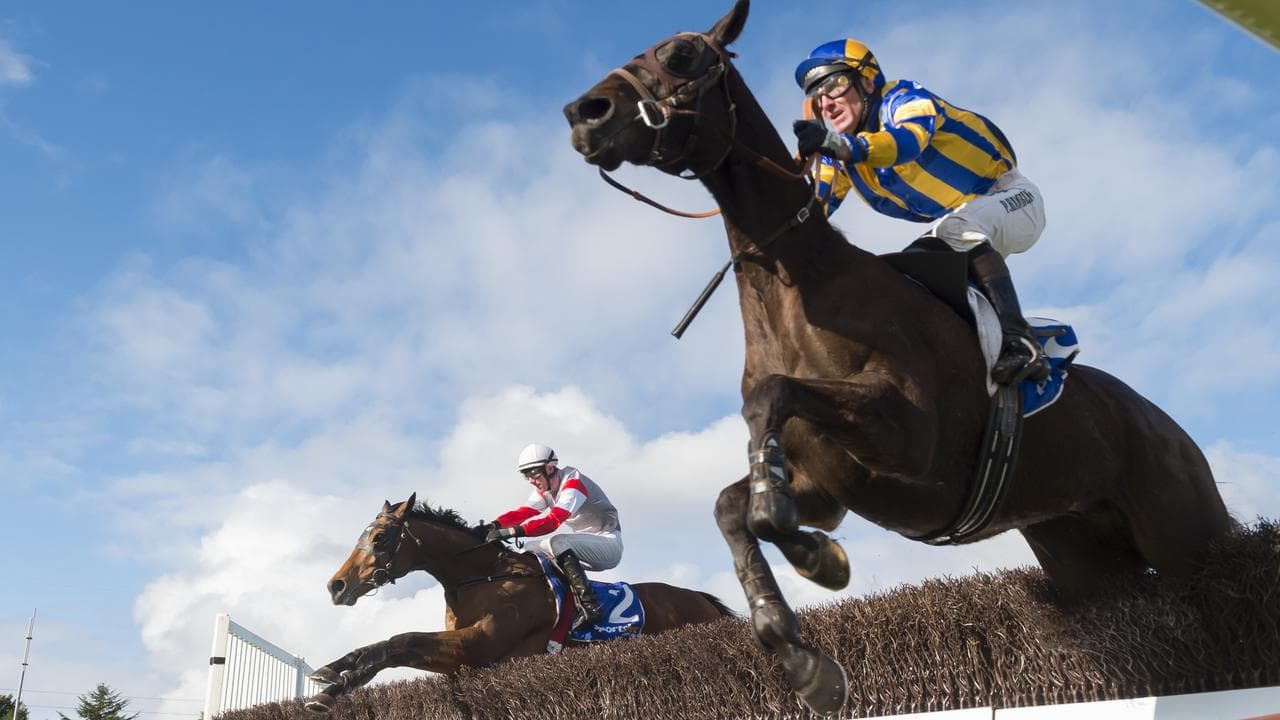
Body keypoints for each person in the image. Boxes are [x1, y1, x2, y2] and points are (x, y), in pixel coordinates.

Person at [791, 39, 1050, 385]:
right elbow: (811, 209)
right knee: (905, 272)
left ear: (867, 81)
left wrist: (839, 146)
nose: (826, 102)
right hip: (961, 222)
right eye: (817, 95)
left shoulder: (904, 99)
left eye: (833, 85)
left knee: (956, 230)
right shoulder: (838, 154)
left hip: (1013, 197)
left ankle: (1022, 343)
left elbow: (907, 142)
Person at [485, 443, 622, 631]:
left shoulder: (573, 483)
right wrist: (494, 525)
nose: (531, 480)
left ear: (550, 468)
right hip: (584, 545)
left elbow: (553, 521)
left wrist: (512, 531)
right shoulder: (546, 490)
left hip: (608, 544)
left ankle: (590, 606)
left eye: (533, 473)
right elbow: (524, 512)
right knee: (529, 549)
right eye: (526, 475)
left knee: (558, 541)